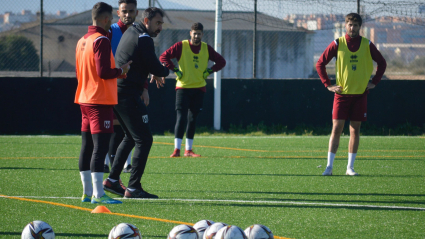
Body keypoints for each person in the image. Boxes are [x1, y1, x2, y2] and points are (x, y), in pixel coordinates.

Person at [103, 7, 169, 199]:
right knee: (144, 139)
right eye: (158, 23)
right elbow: (153, 64)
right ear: (146, 21)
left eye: (162, 24)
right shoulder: (143, 37)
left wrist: (154, 71)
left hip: (118, 92)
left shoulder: (133, 31)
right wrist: (165, 70)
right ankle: (133, 188)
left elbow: (142, 61)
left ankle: (113, 180)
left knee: (131, 137)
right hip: (127, 94)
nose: (160, 28)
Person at [316, 13, 386, 176]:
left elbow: (382, 63)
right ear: (345, 26)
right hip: (342, 95)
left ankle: (350, 168)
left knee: (355, 129)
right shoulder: (337, 43)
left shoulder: (367, 44)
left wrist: (374, 82)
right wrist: (328, 85)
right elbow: (320, 63)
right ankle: (329, 167)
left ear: (360, 27)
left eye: (355, 25)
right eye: (349, 24)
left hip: (360, 95)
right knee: (337, 128)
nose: (352, 28)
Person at [75, 2, 131, 204]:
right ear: (106, 19)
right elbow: (103, 72)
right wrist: (121, 71)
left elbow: (80, 72)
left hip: (84, 99)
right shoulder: (101, 40)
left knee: (87, 146)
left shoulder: (83, 40)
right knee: (100, 147)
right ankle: (99, 195)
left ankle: (87, 193)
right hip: (99, 100)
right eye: (110, 20)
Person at [159, 22, 226, 158]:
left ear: (202, 34)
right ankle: (177, 150)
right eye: (194, 33)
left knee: (192, 119)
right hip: (183, 87)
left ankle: (188, 150)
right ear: (190, 33)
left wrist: (209, 71)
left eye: (199, 34)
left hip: (199, 88)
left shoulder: (206, 48)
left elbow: (221, 61)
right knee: (181, 118)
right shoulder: (181, 46)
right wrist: (175, 69)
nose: (196, 36)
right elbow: (163, 56)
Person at [104, 0, 146, 174]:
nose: (128, 14)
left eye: (131, 11)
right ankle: (105, 162)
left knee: (129, 127)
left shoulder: (140, 33)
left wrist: (144, 87)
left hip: (131, 88)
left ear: (137, 12)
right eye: (124, 11)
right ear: (118, 12)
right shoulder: (110, 32)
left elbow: (143, 62)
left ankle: (126, 164)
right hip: (109, 86)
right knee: (107, 126)